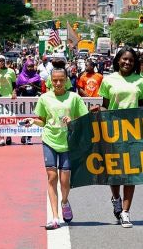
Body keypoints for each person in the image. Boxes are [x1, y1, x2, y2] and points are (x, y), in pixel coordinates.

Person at [91, 46, 143, 228]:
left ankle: (126, 212)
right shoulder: (108, 80)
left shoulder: (141, 81)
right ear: (118, 60)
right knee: (114, 172)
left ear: (135, 64)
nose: (127, 62)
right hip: (112, 131)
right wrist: (98, 110)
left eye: (131, 60)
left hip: (133, 132)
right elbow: (105, 106)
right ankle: (116, 198)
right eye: (124, 59)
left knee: (131, 173)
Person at [22, 67, 88, 230]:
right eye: (55, 80)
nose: (58, 83)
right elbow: (42, 120)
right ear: (50, 81)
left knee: (65, 181)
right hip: (49, 140)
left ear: (67, 80)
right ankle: (55, 217)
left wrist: (72, 119)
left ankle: (64, 202)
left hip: (67, 143)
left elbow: (84, 118)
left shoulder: (74, 98)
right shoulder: (44, 98)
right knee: (52, 177)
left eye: (61, 80)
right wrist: (32, 121)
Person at [0, 55, 17, 146]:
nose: (1, 62)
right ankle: (2, 138)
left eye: (2, 60)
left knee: (9, 118)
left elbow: (14, 84)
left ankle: (9, 136)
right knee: (0, 119)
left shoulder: (11, 71)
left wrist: (14, 92)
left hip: (9, 97)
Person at [16, 59, 41, 145]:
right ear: (25, 67)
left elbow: (40, 89)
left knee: (32, 119)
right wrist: (21, 87)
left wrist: (33, 85)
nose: (30, 68)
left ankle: (29, 137)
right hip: (23, 100)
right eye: (28, 66)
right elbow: (16, 89)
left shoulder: (36, 76)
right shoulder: (21, 76)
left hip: (33, 100)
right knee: (24, 118)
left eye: (31, 66)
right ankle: (23, 134)